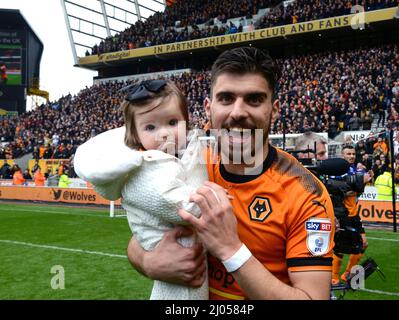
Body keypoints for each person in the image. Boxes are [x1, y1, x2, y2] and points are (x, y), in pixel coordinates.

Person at [127, 47, 335, 300]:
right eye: (226, 98)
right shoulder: (189, 163)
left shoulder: (306, 194)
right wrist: (148, 262)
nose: (237, 112)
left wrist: (229, 249)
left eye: (254, 99)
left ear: (275, 109)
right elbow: (143, 236)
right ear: (208, 107)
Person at [74, 79, 210, 300]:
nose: (164, 133)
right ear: (135, 135)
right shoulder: (143, 169)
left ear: (187, 121)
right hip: (182, 268)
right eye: (150, 127)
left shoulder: (193, 152)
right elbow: (186, 209)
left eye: (173, 122)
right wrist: (216, 198)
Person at [330, 145, 371, 285]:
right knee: (340, 247)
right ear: (343, 156)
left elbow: (357, 191)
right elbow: (336, 191)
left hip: (355, 214)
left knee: (363, 244)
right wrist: (354, 188)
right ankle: (334, 277)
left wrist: (360, 185)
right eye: (348, 153)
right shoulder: (337, 171)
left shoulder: (354, 170)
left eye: (353, 153)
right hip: (342, 214)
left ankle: (347, 274)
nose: (352, 156)